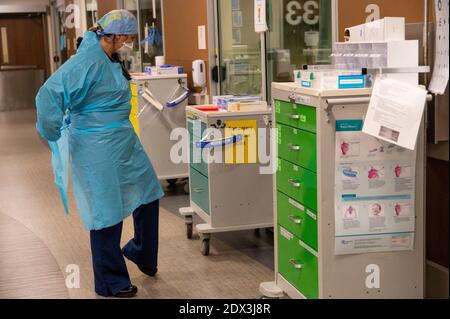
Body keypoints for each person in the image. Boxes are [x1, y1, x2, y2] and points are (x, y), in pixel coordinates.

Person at [35, 10, 164, 298]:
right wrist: (52, 132)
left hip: (123, 139)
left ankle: (141, 252)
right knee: (105, 212)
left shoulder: (110, 57)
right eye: (128, 37)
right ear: (116, 35)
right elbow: (48, 94)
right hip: (95, 145)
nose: (130, 42)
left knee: (149, 194)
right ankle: (110, 281)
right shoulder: (85, 61)